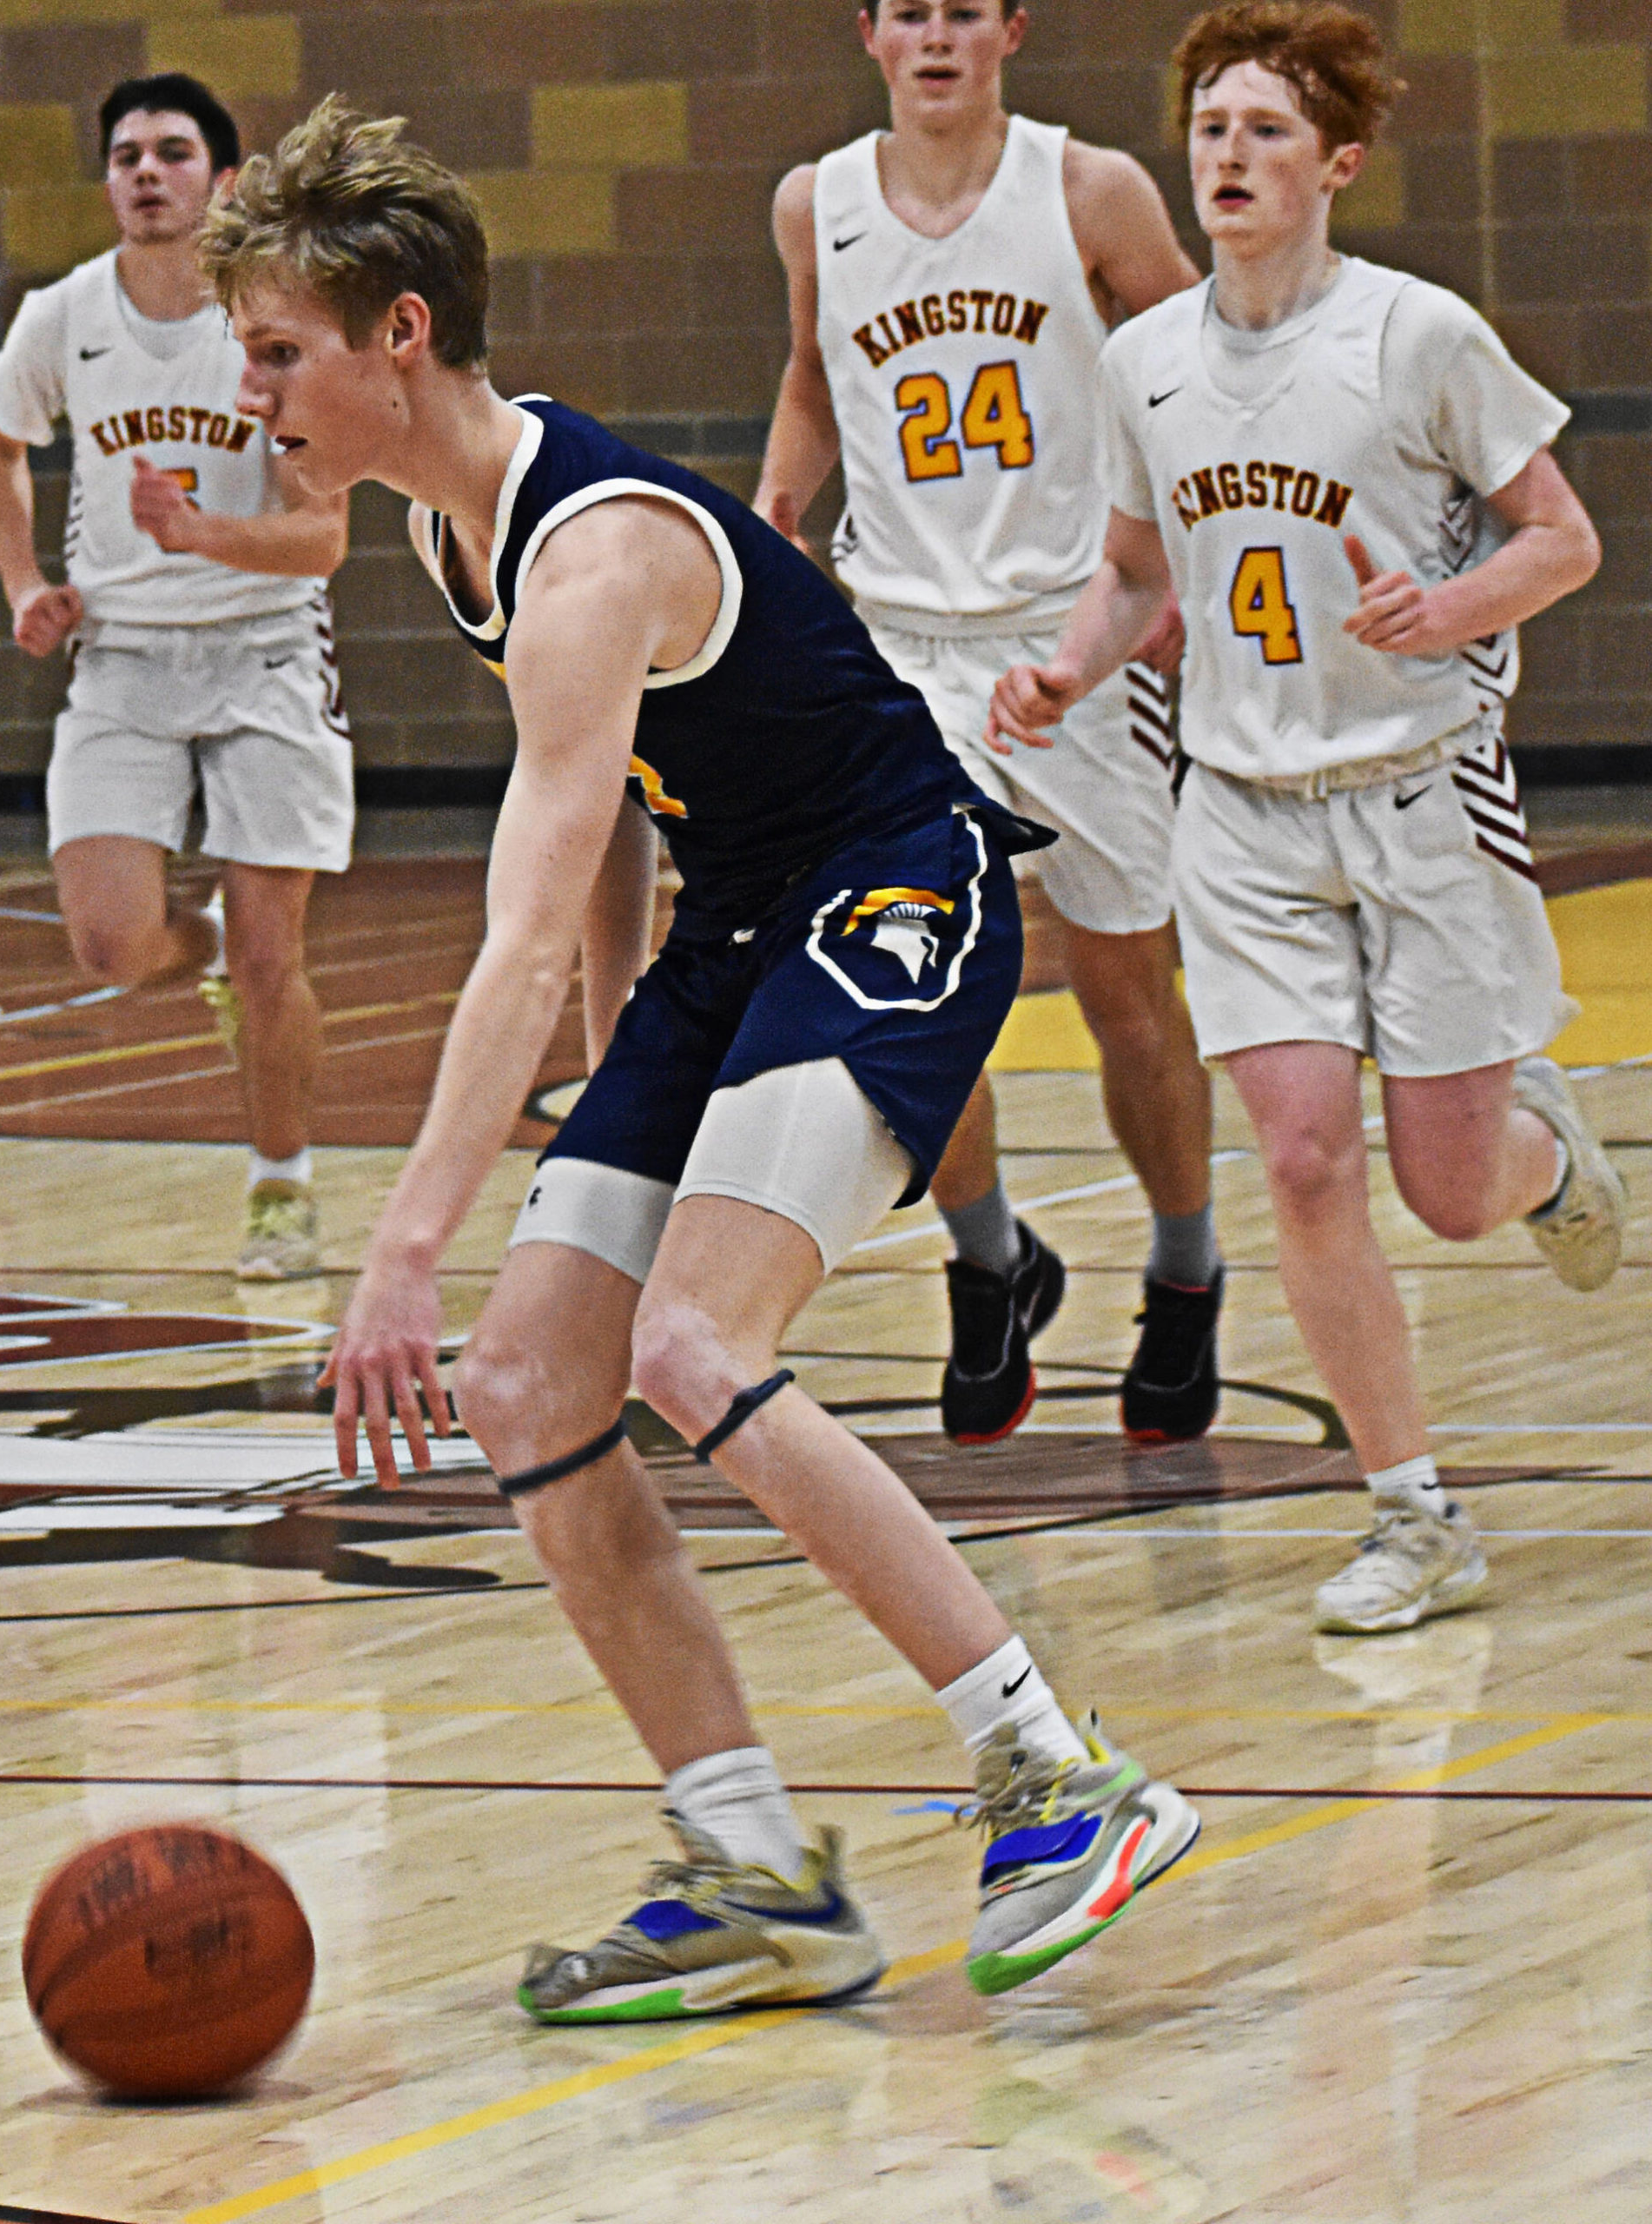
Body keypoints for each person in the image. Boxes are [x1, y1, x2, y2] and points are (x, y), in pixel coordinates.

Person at [202, 98, 1201, 2016]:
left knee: (691, 1343)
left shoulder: (588, 563)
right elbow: (604, 856)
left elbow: (505, 920)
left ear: (397, 335)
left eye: (277, 351)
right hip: (733, 923)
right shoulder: (447, 531)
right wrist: (606, 1081)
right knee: (523, 1380)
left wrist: (405, 1236)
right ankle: (758, 1869)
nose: (251, 390)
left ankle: (1056, 1768)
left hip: (891, 884)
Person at [990, 0, 1622, 1635]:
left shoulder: (1416, 336)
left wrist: (1454, 601)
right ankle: (1411, 1514)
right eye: (1208, 127)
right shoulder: (1144, 361)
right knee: (1297, 1155)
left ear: (1336, 161)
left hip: (1419, 796)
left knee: (1448, 1189)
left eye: (1266, 130)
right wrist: (1065, 672)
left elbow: (1563, 543)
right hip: (1243, 816)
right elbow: (1134, 570)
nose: (1227, 156)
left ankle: (1546, 1160)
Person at [757, 0, 1222, 1447]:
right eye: (913, 12)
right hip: (903, 643)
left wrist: (1181, 573)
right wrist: (777, 511)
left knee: (1122, 992)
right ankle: (988, 1260)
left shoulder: (1089, 190)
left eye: (966, 9)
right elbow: (815, 376)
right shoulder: (813, 204)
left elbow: (1195, 372)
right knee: (917, 984)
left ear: (1010, 29)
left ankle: (1185, 1272)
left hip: (1070, 638)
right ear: (871, 33)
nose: (938, 34)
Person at [0, 73, 352, 1281]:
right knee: (110, 940)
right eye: (126, 153)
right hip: (123, 658)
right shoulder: (65, 315)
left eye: (173, 152)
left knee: (276, 948)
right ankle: (211, 964)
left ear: (223, 181)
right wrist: (27, 584)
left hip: (266, 649)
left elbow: (323, 538)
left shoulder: (274, 321)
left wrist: (204, 537)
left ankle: (281, 1191)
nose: (145, 171)